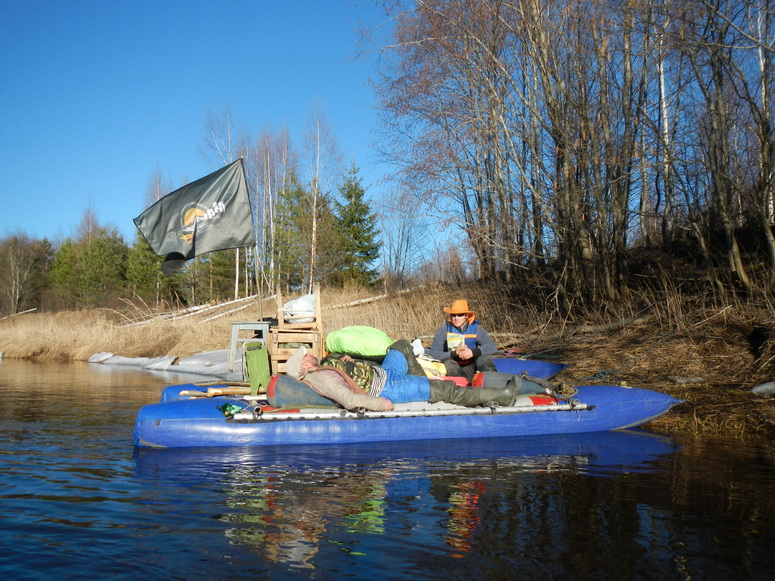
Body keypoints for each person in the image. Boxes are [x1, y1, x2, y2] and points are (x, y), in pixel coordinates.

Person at [284, 339, 545, 412]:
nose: (310, 354)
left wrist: (349, 363)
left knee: (401, 345)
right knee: (448, 390)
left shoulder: (324, 366)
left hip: (383, 373)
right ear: (303, 367)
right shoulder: (318, 377)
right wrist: (381, 404)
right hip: (387, 388)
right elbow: (348, 398)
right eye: (306, 356)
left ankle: (425, 383)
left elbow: (348, 376)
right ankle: (504, 395)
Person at [429, 299, 498, 382]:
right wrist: (454, 354)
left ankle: (493, 382)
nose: (456, 318)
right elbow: (434, 353)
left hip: (472, 365)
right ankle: (461, 384)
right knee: (449, 363)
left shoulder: (477, 329)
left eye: (460, 315)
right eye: (453, 315)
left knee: (485, 358)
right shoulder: (443, 330)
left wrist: (472, 353)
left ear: (466, 316)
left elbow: (491, 347)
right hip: (452, 366)